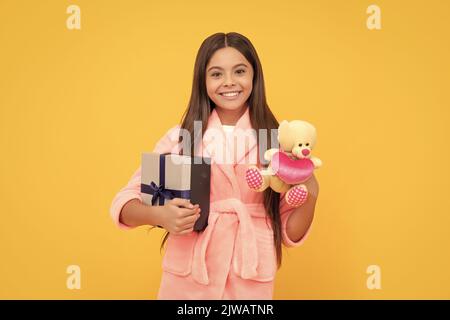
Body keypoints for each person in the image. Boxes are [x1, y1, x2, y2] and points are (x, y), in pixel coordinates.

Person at [110, 32, 319, 299]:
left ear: (255, 76)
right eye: (217, 74)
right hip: (188, 282)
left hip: (249, 279)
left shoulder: (277, 142)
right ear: (203, 80)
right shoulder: (182, 138)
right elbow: (124, 202)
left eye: (240, 71)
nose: (229, 82)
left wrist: (311, 193)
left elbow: (290, 232)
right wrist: (161, 215)